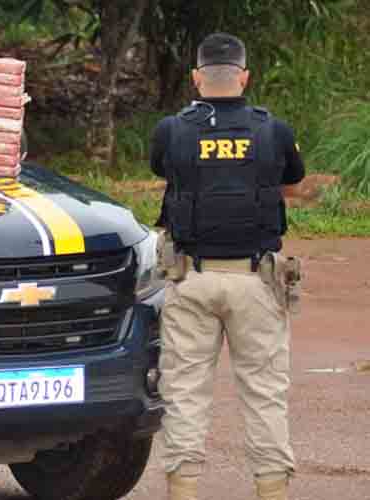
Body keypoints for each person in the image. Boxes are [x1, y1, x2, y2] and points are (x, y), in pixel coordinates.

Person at [149, 33, 306, 500]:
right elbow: (293, 180)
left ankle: (182, 492)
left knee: (185, 394)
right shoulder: (274, 131)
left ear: (196, 78)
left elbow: (163, 171)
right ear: (245, 77)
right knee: (265, 394)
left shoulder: (171, 131)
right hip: (256, 280)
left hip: (191, 279)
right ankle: (272, 491)